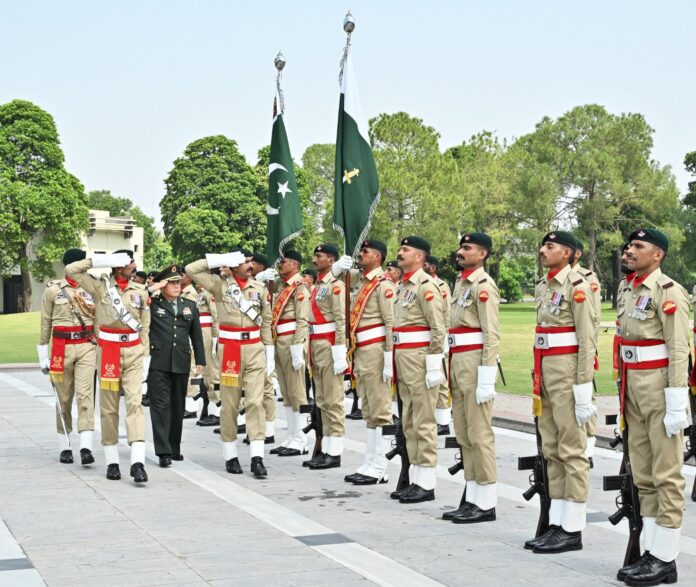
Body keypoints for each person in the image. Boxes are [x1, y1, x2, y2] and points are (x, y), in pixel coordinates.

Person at [614, 228, 690, 585]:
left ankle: (665, 557)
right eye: (629, 245)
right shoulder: (628, 288)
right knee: (643, 473)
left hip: (659, 386)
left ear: (657, 255)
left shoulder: (669, 292)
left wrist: (677, 400)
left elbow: (678, 350)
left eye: (638, 246)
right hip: (633, 386)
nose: (629, 251)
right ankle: (650, 550)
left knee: (666, 474)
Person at [525, 231, 595, 553]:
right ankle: (557, 521)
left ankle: (573, 527)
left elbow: (586, 339)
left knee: (572, 450)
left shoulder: (577, 287)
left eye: (550, 246)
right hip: (545, 372)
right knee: (551, 448)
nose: (542, 250)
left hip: (567, 373)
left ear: (567, 253)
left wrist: (582, 386)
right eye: (543, 245)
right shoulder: (544, 285)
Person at [66, 249, 151, 484]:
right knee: (109, 407)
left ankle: (138, 462)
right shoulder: (100, 286)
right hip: (109, 351)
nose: (134, 265)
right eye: (128, 261)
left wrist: (146, 356)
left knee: (135, 403)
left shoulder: (140, 291)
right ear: (117, 265)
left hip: (134, 350)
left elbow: (145, 325)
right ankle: (112, 462)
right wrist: (101, 261)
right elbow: (71, 270)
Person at [185, 250, 273, 478]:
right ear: (234, 265)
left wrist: (269, 350)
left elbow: (266, 321)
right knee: (230, 403)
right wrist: (221, 259)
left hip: (254, 348)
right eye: (244, 262)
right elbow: (191, 269)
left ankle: (257, 457)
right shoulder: (218, 285)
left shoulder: (260, 289)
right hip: (230, 349)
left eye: (250, 261)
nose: (250, 265)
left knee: (255, 401)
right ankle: (230, 455)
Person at [443, 232, 500, 524]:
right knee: (464, 434)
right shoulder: (461, 282)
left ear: (482, 255)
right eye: (461, 247)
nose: (460, 251)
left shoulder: (483, 285)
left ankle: (486, 501)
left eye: (467, 248)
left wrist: (487, 377)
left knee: (479, 434)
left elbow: (491, 333)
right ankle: (472, 496)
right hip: (458, 362)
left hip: (475, 363)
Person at [333, 240, 395, 484]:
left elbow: (390, 323)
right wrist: (338, 267)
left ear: (377, 257)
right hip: (362, 351)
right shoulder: (362, 280)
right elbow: (334, 281)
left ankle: (380, 465)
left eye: (365, 252)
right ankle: (370, 461)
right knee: (368, 408)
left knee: (380, 409)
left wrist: (389, 357)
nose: (360, 254)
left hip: (377, 351)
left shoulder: (383, 285)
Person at [391, 236, 446, 503]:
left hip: (420, 359)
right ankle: (415, 477)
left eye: (405, 250)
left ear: (420, 257)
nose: (400, 253)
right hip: (404, 358)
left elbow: (438, 327)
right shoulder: (403, 286)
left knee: (423, 421)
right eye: (400, 249)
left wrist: (434, 362)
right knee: (409, 421)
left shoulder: (426, 286)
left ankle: (426, 483)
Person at [37, 248, 97, 465]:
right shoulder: (53, 290)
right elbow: (45, 322)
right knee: (63, 399)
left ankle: (86, 447)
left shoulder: (92, 286)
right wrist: (43, 352)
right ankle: (65, 446)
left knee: (85, 396)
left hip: (86, 346)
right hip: (61, 348)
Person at [147, 265, 205, 467]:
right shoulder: (152, 304)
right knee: (160, 406)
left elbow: (196, 336)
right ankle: (163, 451)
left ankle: (174, 448)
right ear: (162, 285)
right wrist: (153, 287)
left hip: (181, 360)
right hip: (158, 361)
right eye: (171, 283)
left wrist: (200, 360)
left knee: (177, 406)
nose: (176, 286)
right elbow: (140, 302)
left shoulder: (189, 305)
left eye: (178, 282)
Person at [256, 251, 311, 456]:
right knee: (286, 392)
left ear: (295, 264)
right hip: (279, 341)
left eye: (284, 261)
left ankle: (302, 438)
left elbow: (302, 320)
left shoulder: (300, 287)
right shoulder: (282, 286)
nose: (280, 264)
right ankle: (292, 436)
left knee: (297, 390)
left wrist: (298, 346)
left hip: (291, 341)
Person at [300, 244, 348, 470]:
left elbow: (341, 320)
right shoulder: (318, 284)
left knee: (333, 399)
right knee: (321, 400)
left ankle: (335, 451)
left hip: (329, 345)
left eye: (319, 256)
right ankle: (326, 447)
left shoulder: (336, 286)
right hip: (316, 345)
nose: (314, 258)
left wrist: (340, 351)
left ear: (331, 260)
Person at [570, 237, 601, 464]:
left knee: (586, 393)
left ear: (576, 254)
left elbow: (594, 316)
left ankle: (589, 442)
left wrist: (591, 347)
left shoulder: (587, 279)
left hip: (584, 345)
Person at [424, 255, 452, 436]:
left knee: (442, 380)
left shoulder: (441, 286)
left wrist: (445, 339)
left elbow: (446, 313)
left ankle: (443, 421)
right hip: (425, 339)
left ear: (433, 268)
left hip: (439, 336)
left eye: (425, 264)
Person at [249, 253, 276, 443]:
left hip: (264, 340)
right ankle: (256, 427)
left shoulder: (270, 283)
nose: (248, 266)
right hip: (249, 341)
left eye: (252, 263)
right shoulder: (249, 285)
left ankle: (269, 429)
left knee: (266, 387)